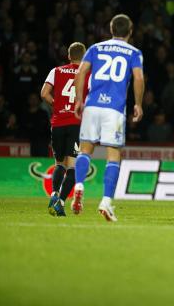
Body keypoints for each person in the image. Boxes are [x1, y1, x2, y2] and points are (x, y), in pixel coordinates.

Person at [72, 14, 144, 222]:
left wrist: (79, 100)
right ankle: (105, 202)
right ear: (130, 32)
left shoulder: (95, 48)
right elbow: (138, 77)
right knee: (113, 155)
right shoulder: (134, 52)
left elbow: (81, 74)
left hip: (92, 105)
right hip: (114, 109)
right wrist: (138, 104)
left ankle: (78, 186)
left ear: (111, 30)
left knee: (85, 150)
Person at [40, 42, 88, 216]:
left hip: (58, 122)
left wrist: (57, 104)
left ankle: (54, 194)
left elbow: (44, 93)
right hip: (76, 123)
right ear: (84, 56)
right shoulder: (87, 73)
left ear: (68, 56)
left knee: (59, 164)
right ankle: (60, 202)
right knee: (73, 167)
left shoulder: (56, 71)